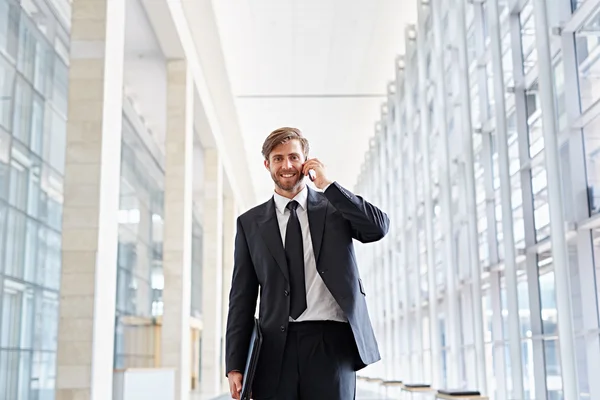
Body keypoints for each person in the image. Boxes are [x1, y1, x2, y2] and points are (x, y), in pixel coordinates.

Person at [225, 127, 390, 400]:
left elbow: (377, 228)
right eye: (278, 158)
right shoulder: (249, 223)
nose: (287, 165)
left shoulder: (335, 207)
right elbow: (241, 297)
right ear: (267, 164)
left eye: (293, 157)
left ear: (306, 161)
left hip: (332, 345)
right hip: (274, 347)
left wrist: (328, 185)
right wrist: (235, 363)